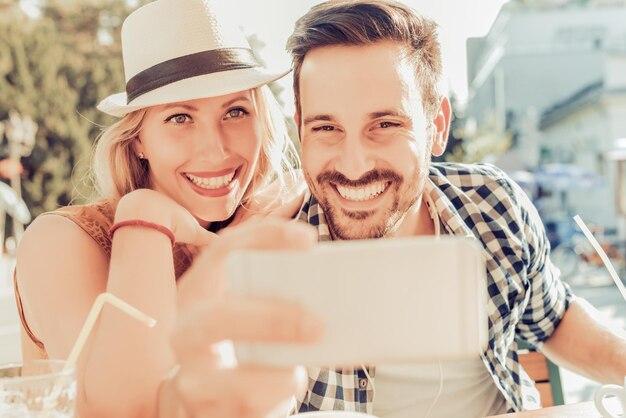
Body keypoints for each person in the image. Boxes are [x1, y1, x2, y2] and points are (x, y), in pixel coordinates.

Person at [283, 1, 626, 416]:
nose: (354, 165)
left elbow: (554, 319)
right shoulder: (269, 255)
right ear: (300, 129)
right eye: (326, 128)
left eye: (385, 125)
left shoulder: (493, 205)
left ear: (438, 126)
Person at [14, 1, 322, 417]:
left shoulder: (270, 215)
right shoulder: (59, 241)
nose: (215, 148)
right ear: (139, 139)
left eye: (235, 111)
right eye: (180, 117)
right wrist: (147, 217)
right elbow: (123, 411)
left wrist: (227, 240)